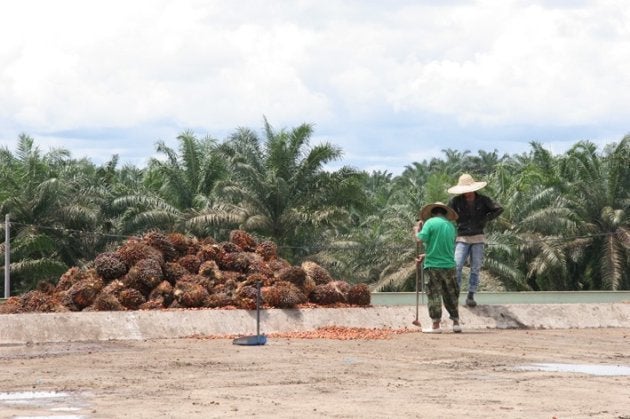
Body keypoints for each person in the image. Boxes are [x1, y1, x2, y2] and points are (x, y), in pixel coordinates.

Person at [447, 174, 503, 307]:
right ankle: (456, 293)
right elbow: (446, 213)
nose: (466, 192)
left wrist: (486, 219)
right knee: (457, 265)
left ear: (473, 188)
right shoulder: (456, 201)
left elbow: (499, 208)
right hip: (462, 236)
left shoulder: (483, 200)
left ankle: (471, 295)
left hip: (478, 236)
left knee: (475, 267)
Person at [414, 202, 461, 334]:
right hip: (449, 265)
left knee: (434, 294)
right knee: (451, 294)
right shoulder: (451, 226)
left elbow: (420, 239)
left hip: (433, 266)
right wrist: (426, 255)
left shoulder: (429, 223)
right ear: (445, 213)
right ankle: (456, 322)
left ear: (433, 213)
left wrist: (417, 231)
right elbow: (443, 247)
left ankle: (436, 325)